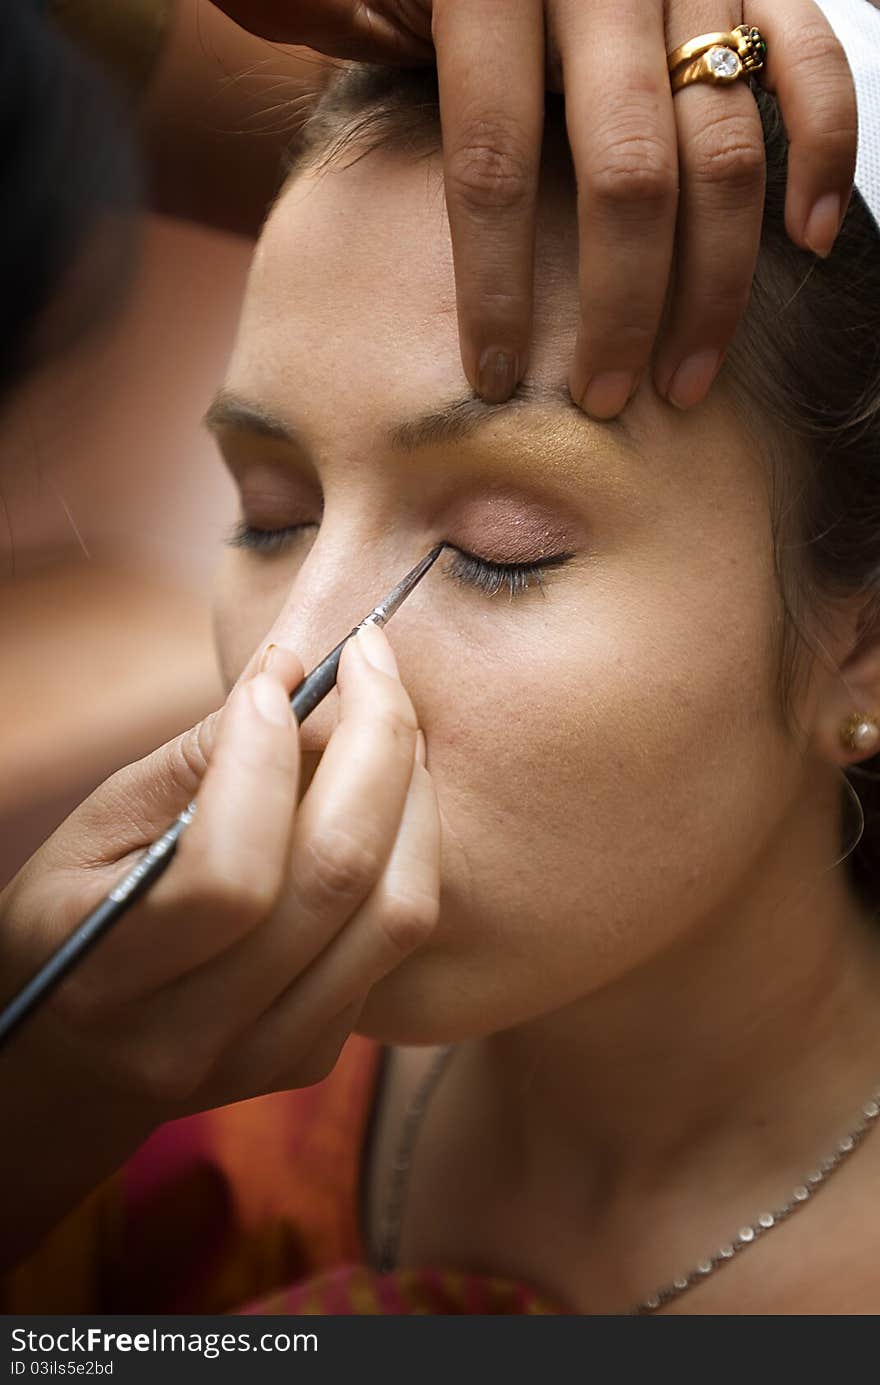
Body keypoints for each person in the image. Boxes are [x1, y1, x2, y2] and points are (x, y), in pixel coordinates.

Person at [2, 2, 878, 1317]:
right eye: (269, 516)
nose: (278, 678)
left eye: (499, 545)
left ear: (860, 645)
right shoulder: (137, 1142)